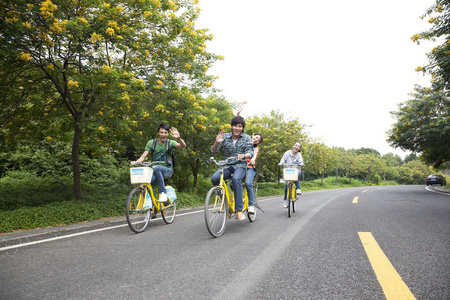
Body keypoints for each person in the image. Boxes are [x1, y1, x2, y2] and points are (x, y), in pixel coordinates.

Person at [211, 116, 253, 220]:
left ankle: (239, 210)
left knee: (236, 179)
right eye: (235, 126)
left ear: (242, 128)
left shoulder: (246, 138)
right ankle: (224, 203)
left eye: (240, 126)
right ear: (231, 126)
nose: (237, 128)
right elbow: (214, 151)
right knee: (215, 178)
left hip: (241, 165)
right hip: (228, 165)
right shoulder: (225, 136)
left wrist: (244, 155)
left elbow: (250, 152)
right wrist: (217, 142)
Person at [131, 124, 186, 203]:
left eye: (166, 133)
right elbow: (143, 156)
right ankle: (152, 208)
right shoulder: (151, 143)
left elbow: (183, 146)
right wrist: (136, 162)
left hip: (167, 170)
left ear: (167, 134)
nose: (163, 134)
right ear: (158, 133)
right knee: (145, 185)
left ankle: (163, 192)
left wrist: (179, 138)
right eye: (161, 132)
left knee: (156, 167)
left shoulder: (169, 143)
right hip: (155, 172)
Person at [278, 142, 304, 208]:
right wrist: (281, 163)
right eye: (296, 145)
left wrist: (301, 163)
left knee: (296, 175)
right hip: (288, 171)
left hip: (296, 171)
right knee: (287, 185)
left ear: (299, 149)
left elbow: (300, 160)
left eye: (298, 146)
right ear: (293, 146)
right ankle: (285, 200)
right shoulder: (287, 153)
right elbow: (283, 159)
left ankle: (298, 188)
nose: (297, 147)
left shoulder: (299, 154)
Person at [245, 133, 263, 214]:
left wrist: (253, 160)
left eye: (258, 140)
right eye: (255, 137)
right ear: (252, 136)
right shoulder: (244, 143)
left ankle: (251, 205)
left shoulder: (255, 149)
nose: (256, 139)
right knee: (232, 183)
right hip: (240, 167)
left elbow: (254, 155)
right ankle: (239, 198)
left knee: (248, 183)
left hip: (250, 168)